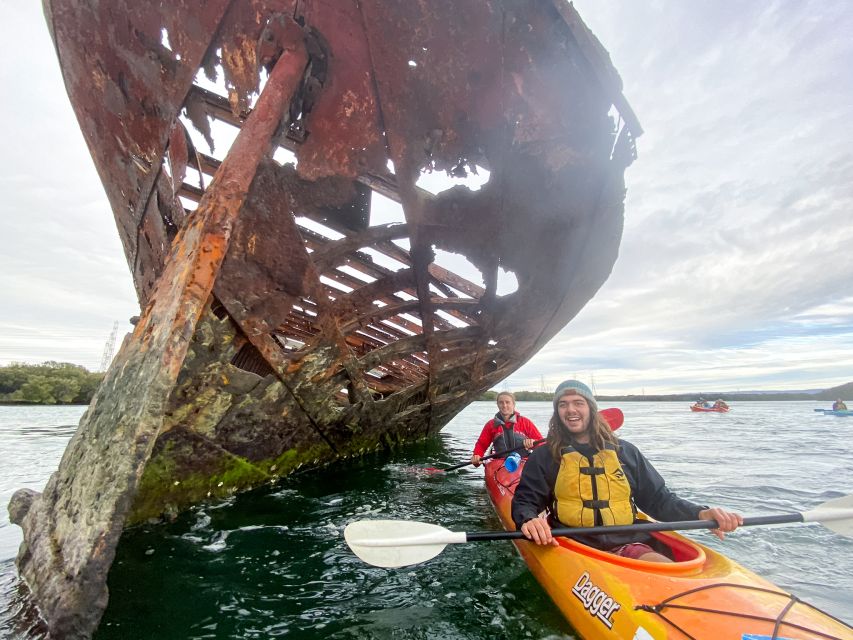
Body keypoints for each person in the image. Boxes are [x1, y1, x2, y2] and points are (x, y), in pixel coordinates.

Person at [512, 380, 742, 562]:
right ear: (557, 413)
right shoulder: (546, 455)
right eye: (563, 404)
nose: (570, 409)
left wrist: (700, 513)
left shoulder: (626, 452)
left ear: (591, 409)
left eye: (578, 402)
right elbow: (525, 501)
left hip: (626, 542)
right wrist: (528, 519)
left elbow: (660, 500)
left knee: (659, 564)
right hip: (569, 544)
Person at [470, 391, 543, 467]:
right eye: (501, 402)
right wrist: (477, 456)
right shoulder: (490, 425)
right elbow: (481, 444)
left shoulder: (525, 422)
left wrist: (533, 443)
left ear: (513, 404)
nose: (504, 405)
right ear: (497, 405)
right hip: (500, 465)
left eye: (507, 402)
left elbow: (542, 444)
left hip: (523, 463)